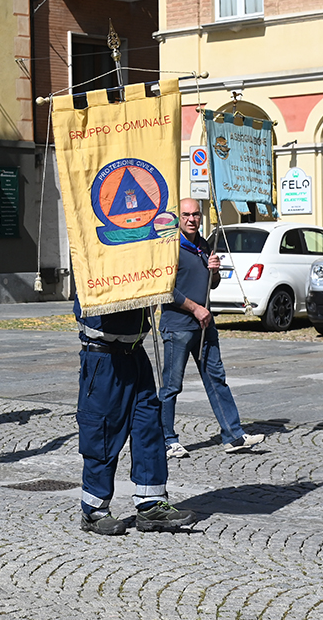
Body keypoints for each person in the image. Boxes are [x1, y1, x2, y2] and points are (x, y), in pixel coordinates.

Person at [74, 298, 197, 535]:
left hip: (135, 353)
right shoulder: (96, 260)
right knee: (102, 433)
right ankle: (94, 511)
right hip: (103, 356)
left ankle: (151, 505)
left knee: (149, 427)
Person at [159, 198, 265, 459]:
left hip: (205, 325)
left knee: (217, 379)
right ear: (178, 217)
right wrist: (195, 308)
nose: (192, 219)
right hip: (178, 326)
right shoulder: (169, 247)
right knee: (172, 386)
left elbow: (212, 285)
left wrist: (214, 271)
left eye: (195, 214)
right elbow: (164, 290)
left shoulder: (204, 245)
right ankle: (167, 439)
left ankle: (233, 435)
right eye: (186, 215)